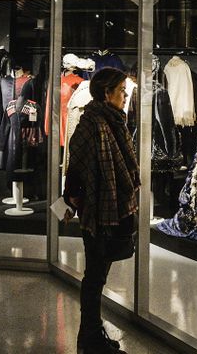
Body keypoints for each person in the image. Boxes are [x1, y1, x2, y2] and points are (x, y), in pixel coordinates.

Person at [63, 67, 140, 354]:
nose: (124, 96)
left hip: (111, 208)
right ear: (107, 93)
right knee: (95, 277)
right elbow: (76, 166)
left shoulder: (113, 121)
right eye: (121, 91)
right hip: (97, 212)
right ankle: (89, 339)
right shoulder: (91, 123)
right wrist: (71, 200)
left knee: (98, 275)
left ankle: (91, 336)